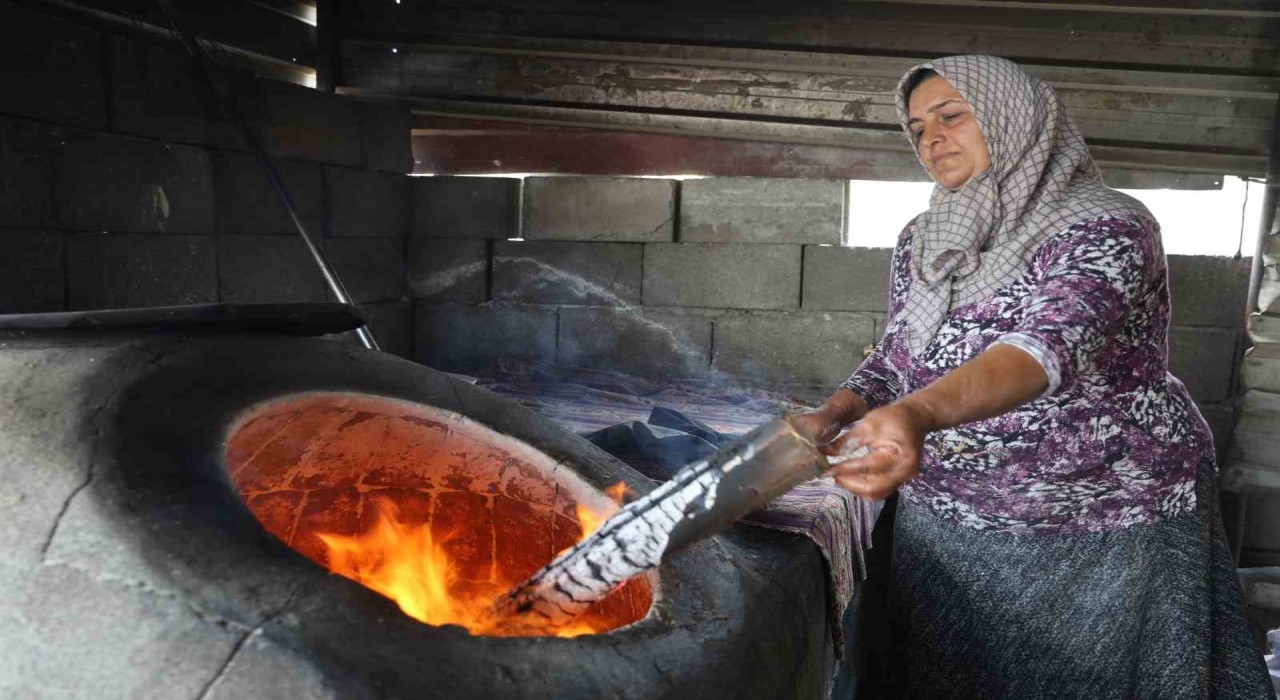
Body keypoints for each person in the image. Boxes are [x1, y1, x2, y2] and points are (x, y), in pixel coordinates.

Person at [792, 55, 1273, 699]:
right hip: (952, 518)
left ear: (1015, 120)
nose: (930, 138)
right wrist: (840, 408)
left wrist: (917, 415)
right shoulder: (926, 238)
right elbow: (901, 353)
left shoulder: (1109, 225)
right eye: (916, 128)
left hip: (1104, 522)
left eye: (952, 116)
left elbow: (1047, 345)